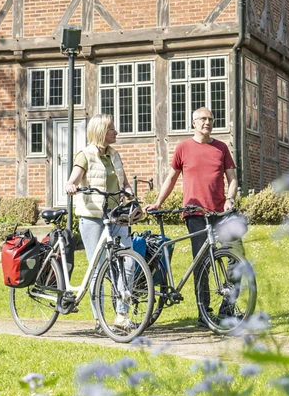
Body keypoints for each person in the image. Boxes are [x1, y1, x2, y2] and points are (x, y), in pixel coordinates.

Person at [146, 106, 240, 323]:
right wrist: (158, 202)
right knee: (202, 262)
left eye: (210, 119)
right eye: (202, 119)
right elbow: (171, 178)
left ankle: (227, 308)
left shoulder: (221, 148)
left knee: (236, 256)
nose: (207, 122)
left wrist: (230, 199)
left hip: (220, 212)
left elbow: (232, 179)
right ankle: (204, 314)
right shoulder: (183, 148)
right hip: (195, 213)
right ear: (193, 123)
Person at [65, 114, 136, 327]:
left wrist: (130, 192)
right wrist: (71, 186)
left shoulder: (115, 155)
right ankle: (100, 318)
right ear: (101, 132)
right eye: (112, 129)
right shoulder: (84, 155)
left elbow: (123, 182)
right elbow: (73, 179)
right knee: (97, 267)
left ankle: (121, 314)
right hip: (92, 217)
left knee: (128, 261)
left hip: (116, 215)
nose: (116, 132)